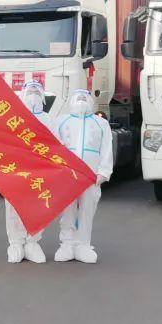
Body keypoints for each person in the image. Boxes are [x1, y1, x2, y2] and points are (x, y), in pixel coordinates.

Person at [53, 89, 113, 264]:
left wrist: (103, 171)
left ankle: (83, 244)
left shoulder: (100, 123)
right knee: (67, 209)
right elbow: (53, 145)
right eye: (77, 97)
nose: (81, 100)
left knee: (87, 208)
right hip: (67, 173)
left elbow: (107, 148)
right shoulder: (61, 121)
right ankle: (67, 243)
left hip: (91, 173)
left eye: (84, 97)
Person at [4, 82, 52, 264]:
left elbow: (58, 146)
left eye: (36, 92)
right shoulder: (13, 118)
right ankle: (15, 243)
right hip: (16, 170)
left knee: (37, 206)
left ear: (42, 97)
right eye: (29, 92)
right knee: (14, 207)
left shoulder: (49, 120)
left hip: (40, 172)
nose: (33, 96)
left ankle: (32, 242)